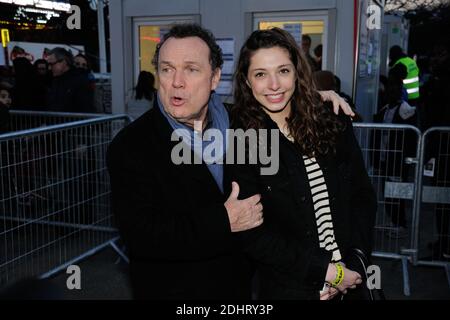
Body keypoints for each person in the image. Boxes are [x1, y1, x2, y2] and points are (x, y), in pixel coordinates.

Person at [106, 23, 355, 300]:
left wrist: (315, 98)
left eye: (191, 69)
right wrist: (223, 220)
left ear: (214, 78)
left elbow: (276, 101)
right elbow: (142, 237)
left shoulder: (239, 123)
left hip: (240, 290)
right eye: (167, 69)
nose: (176, 81)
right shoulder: (131, 146)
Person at [227, 28, 377, 300]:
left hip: (353, 282)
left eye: (283, 71)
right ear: (247, 82)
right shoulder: (246, 140)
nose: (274, 85)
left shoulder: (332, 120)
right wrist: (326, 272)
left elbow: (362, 197)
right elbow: (255, 235)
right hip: (292, 287)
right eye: (260, 74)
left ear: (297, 72)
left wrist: (354, 264)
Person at [373, 74, 418, 238]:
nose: (390, 92)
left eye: (394, 89)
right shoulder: (384, 110)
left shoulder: (405, 109)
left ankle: (401, 224)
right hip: (386, 157)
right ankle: (394, 221)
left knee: (397, 191)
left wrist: (408, 158)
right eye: (388, 88)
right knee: (387, 191)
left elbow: (411, 137)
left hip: (398, 159)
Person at [46, 47, 94, 113]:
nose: (49, 68)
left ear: (64, 62)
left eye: (51, 64)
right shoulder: (54, 79)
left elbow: (86, 108)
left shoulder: (80, 80)